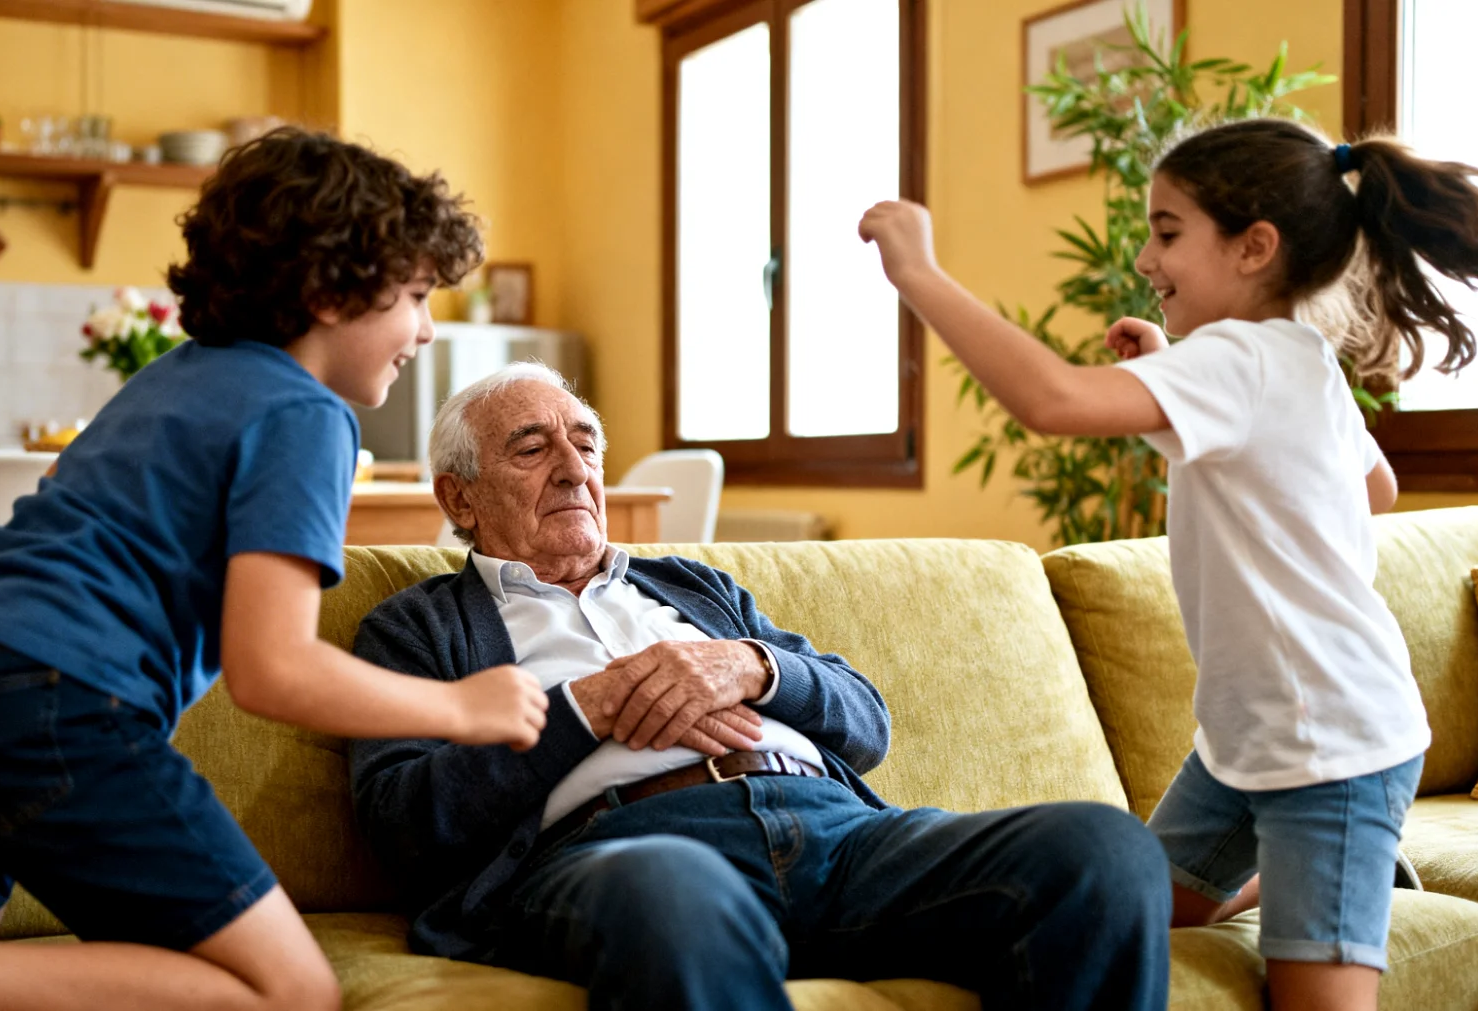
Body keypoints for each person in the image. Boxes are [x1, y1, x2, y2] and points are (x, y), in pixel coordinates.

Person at [0, 128, 550, 1011]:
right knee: (290, 992)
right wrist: (461, 705)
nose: (426, 328)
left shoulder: (174, 376)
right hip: (45, 698)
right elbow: (273, 669)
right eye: (417, 294)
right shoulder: (307, 413)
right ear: (327, 287)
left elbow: (58, 500)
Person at [859, 118, 1478, 1010]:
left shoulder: (1236, 360)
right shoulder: (1298, 359)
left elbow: (1050, 398)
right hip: (1243, 744)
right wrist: (1177, 389)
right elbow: (1377, 488)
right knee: (1145, 907)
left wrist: (917, 273)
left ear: (1254, 247)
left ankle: (1338, 866)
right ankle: (1323, 873)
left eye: (1168, 232)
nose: (1146, 258)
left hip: (1332, 754)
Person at [346, 361, 1172, 1011]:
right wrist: (587, 707)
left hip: (836, 837)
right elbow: (405, 823)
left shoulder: (693, 586)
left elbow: (867, 720)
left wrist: (752, 665)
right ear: (460, 495)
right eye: (532, 448)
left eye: (588, 444)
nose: (574, 469)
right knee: (675, 888)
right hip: (625, 853)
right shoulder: (417, 626)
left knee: (1102, 850)